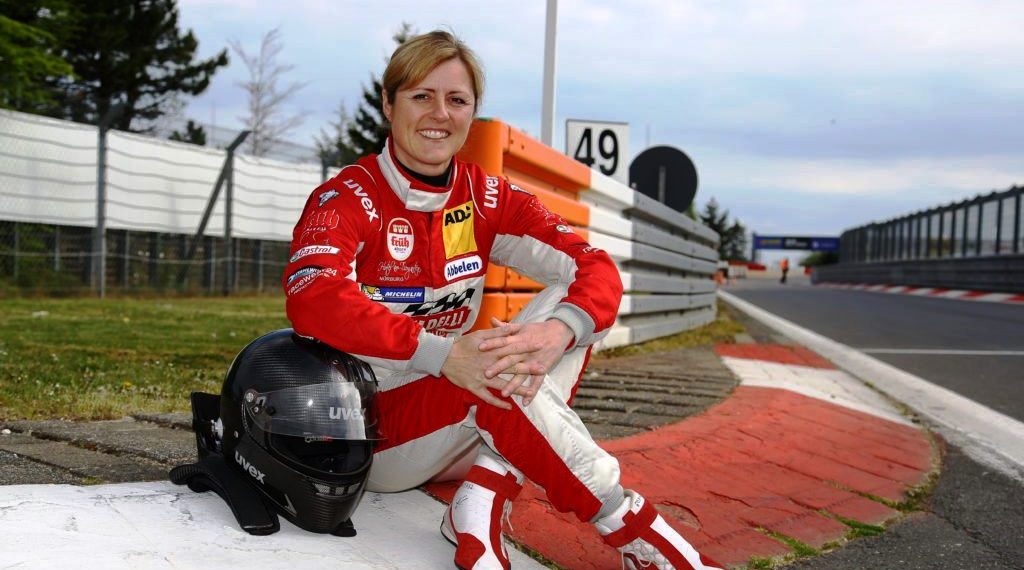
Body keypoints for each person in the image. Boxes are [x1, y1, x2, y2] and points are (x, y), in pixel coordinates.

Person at [283, 30, 723, 570]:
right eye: (421, 96)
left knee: (573, 308)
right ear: (389, 104)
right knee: (496, 376)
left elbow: (596, 268)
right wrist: (443, 354)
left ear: (473, 112)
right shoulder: (347, 195)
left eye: (457, 99)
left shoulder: (486, 196)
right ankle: (636, 531)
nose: (439, 114)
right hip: (372, 429)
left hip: (465, 410)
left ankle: (483, 494)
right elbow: (314, 298)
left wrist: (557, 332)